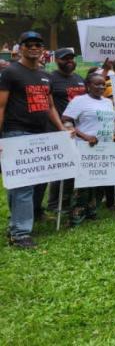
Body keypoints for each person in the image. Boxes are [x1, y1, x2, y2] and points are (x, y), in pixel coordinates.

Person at [0, 31, 70, 248]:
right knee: (24, 184)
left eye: (38, 44)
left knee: (26, 182)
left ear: (42, 49)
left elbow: (49, 106)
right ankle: (20, 234)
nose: (34, 48)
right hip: (16, 133)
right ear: (20, 48)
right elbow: (1, 106)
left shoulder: (45, 75)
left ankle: (17, 224)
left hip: (41, 134)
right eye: (28, 44)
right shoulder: (11, 72)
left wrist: (61, 129)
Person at [62, 73, 115, 224]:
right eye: (97, 84)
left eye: (103, 84)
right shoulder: (79, 101)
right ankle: (76, 215)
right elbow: (66, 121)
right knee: (83, 183)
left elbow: (112, 121)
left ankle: (92, 211)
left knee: (100, 180)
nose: (101, 87)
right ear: (87, 86)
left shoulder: (107, 102)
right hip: (84, 147)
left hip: (105, 147)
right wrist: (84, 136)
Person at [43, 47, 87, 218]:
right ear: (56, 60)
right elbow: (48, 105)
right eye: (64, 58)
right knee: (60, 168)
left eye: (71, 58)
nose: (69, 61)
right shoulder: (50, 78)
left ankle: (66, 201)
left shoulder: (79, 79)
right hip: (58, 129)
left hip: (78, 130)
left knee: (73, 166)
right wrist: (62, 125)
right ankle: (54, 204)